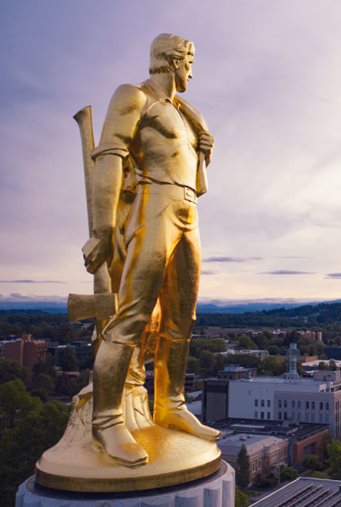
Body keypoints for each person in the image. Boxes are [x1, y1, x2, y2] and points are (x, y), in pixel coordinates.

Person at [84, 33, 219, 467]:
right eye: (189, 61)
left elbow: (194, 175)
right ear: (171, 60)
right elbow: (110, 156)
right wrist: (104, 229)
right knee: (133, 316)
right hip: (152, 203)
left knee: (181, 317)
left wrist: (202, 149)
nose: (191, 71)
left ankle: (171, 404)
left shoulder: (184, 114)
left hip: (188, 210)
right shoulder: (134, 96)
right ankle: (106, 420)